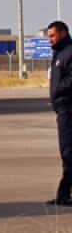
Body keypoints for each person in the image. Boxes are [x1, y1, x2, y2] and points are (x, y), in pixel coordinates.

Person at [48, 20, 72, 206]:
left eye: (53, 35)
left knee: (69, 152)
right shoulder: (59, 53)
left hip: (68, 107)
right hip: (62, 108)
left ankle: (65, 194)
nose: (50, 40)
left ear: (63, 33)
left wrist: (59, 91)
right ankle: (64, 194)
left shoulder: (69, 52)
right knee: (66, 152)